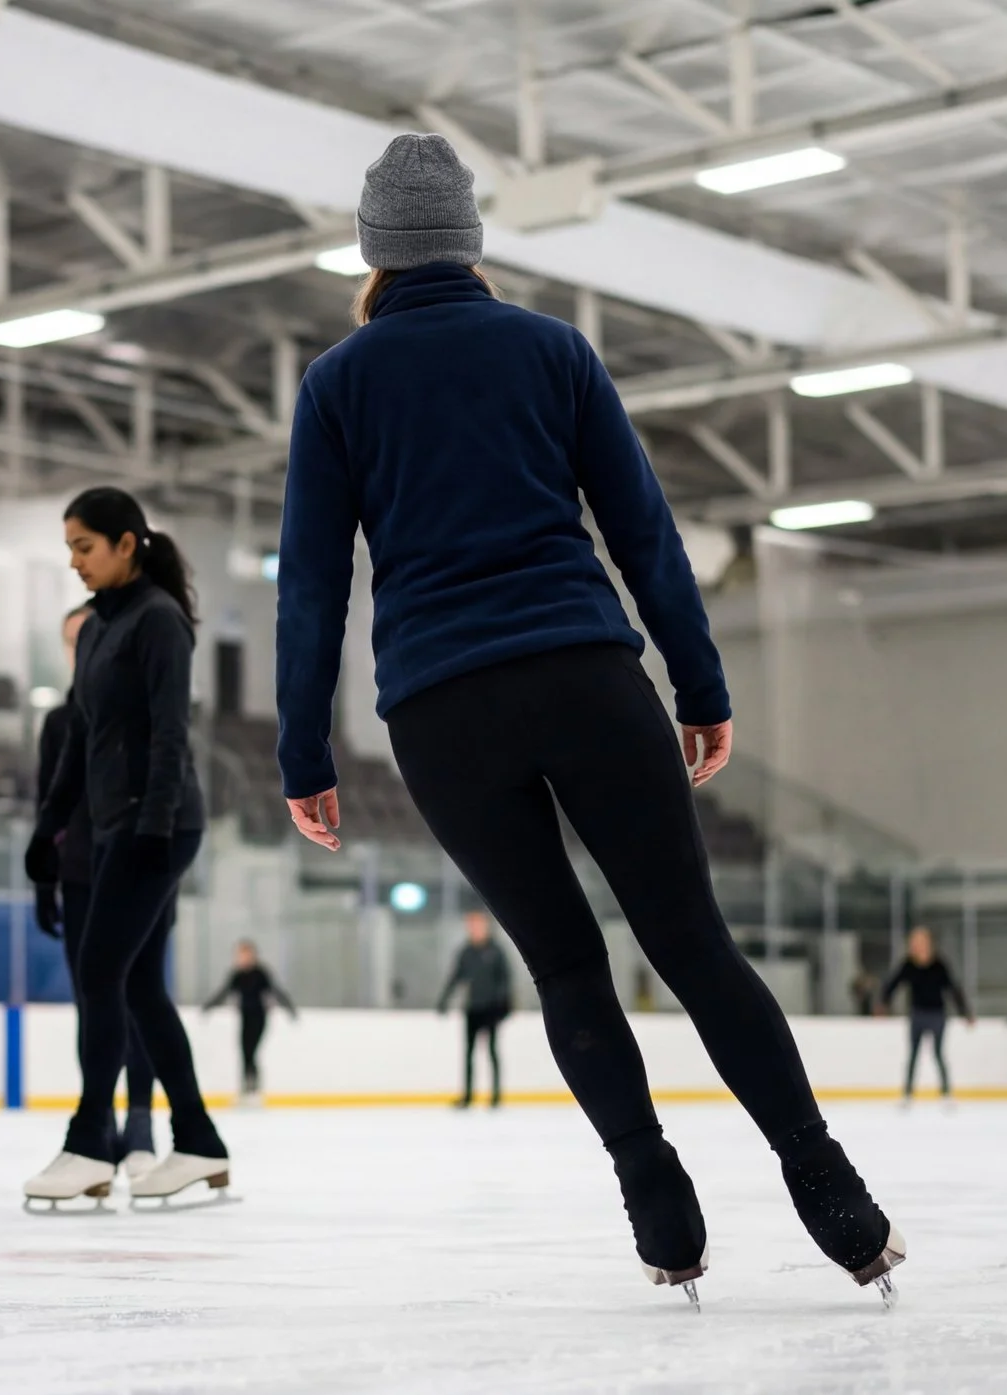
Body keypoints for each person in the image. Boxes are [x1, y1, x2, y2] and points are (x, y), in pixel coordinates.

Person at [274, 133, 902, 1303]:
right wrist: (700, 685)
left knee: (566, 966)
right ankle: (830, 1190)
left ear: (372, 252)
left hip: (439, 710)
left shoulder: (337, 385)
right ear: (469, 243)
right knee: (692, 945)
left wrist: (302, 750)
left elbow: (310, 582)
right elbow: (643, 531)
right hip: (584, 674)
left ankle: (656, 1205)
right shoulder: (551, 352)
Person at [21, 488, 229, 1210]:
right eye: (71, 547)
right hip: (115, 824)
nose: (75, 561)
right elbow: (79, 739)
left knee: (100, 970)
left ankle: (89, 1143)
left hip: (158, 825)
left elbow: (173, 732)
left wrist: (153, 826)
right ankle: (198, 1137)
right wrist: (48, 831)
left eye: (84, 546)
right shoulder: (102, 628)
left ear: (126, 544)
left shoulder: (159, 622)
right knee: (134, 984)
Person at [31, 602, 160, 1173]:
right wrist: (45, 880)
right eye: (69, 640)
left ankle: (140, 1124)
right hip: (81, 872)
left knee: (137, 995)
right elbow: (47, 801)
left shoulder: (140, 710)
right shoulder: (59, 723)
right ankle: (98, 1119)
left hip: (133, 866)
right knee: (94, 1002)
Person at [881, 927, 974, 1105]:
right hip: (917, 1013)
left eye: (920, 941)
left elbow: (953, 988)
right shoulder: (908, 964)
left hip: (937, 1014)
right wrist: (883, 1002)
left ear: (928, 943)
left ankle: (946, 1093)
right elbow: (893, 983)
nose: (917, 945)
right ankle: (907, 1093)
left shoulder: (939, 964)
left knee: (938, 1053)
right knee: (913, 1054)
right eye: (914, 941)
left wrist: (965, 1012)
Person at [204, 940, 296, 1105]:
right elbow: (224, 992)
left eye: (246, 954)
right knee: (244, 1052)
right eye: (240, 954)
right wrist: (209, 1006)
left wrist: (289, 1007)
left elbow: (275, 990)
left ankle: (254, 1089)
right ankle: (245, 1089)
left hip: (259, 1018)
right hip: (245, 1017)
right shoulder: (237, 975)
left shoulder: (261, 973)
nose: (243, 957)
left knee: (252, 1052)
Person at [436, 912, 512, 1109]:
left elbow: (504, 979)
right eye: (471, 925)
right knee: (469, 1053)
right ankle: (468, 1096)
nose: (475, 929)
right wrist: (445, 999)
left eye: (478, 925)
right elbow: (456, 976)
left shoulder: (496, 951)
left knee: (492, 1051)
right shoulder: (466, 951)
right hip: (472, 1008)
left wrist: (505, 1004)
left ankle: (495, 1096)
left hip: (491, 1008)